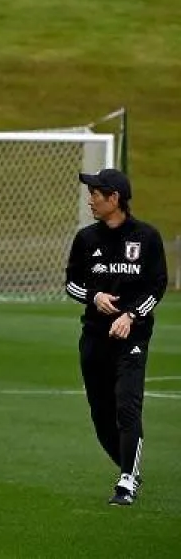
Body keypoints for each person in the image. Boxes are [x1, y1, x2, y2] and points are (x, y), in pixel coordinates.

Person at [64, 168, 168, 507]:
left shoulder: (147, 238)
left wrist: (131, 315)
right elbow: (71, 283)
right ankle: (128, 466)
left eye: (96, 193)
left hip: (132, 336)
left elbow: (157, 286)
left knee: (127, 404)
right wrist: (94, 297)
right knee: (101, 413)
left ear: (115, 198)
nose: (91, 198)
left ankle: (126, 481)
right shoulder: (86, 239)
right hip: (94, 336)